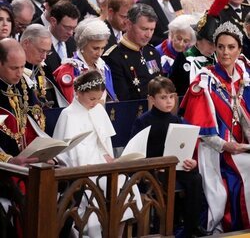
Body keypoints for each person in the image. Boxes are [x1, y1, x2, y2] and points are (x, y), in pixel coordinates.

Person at [180, 21, 250, 233]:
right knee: (237, 178)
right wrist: (228, 146)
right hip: (215, 150)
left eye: (231, 47)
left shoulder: (245, 76)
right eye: (220, 47)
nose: (225, 52)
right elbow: (202, 131)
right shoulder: (204, 81)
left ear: (239, 49)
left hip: (243, 147)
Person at [53, 71, 142, 237]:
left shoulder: (98, 110)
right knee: (93, 202)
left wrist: (108, 156)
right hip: (81, 169)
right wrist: (84, 166)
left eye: (98, 98)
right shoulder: (68, 115)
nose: (95, 103)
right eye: (91, 99)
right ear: (78, 93)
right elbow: (65, 152)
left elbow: (103, 142)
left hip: (101, 164)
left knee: (125, 185)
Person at [130, 76, 207, 238]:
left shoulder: (176, 119)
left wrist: (190, 161)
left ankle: (192, 225)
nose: (169, 101)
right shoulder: (143, 121)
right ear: (152, 99)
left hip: (173, 165)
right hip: (152, 168)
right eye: (163, 97)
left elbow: (181, 147)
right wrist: (152, 164)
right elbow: (135, 151)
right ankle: (164, 227)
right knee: (166, 181)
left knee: (195, 178)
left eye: (171, 97)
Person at [170, 0, 229, 96]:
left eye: (217, 45)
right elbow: (173, 89)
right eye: (210, 43)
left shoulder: (218, 59)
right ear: (198, 39)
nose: (213, 49)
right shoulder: (184, 58)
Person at [103, 3, 162, 101]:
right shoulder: (113, 57)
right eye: (144, 29)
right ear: (129, 24)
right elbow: (124, 99)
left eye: (152, 29)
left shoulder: (152, 52)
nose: (148, 35)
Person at [53, 18, 117, 103]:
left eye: (102, 48)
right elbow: (68, 104)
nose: (99, 53)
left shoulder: (104, 67)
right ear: (82, 45)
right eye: (95, 48)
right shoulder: (68, 70)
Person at [0, 38, 46, 156]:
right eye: (14, 68)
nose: (20, 73)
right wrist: (8, 160)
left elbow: (35, 117)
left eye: (22, 67)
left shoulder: (22, 82)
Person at [20, 24, 69, 108]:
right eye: (41, 51)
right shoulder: (11, 69)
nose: (44, 57)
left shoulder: (43, 68)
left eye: (47, 52)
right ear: (26, 43)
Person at [43, 1, 80, 86]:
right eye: (67, 27)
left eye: (74, 28)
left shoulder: (74, 42)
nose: (70, 33)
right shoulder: (39, 43)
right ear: (53, 21)